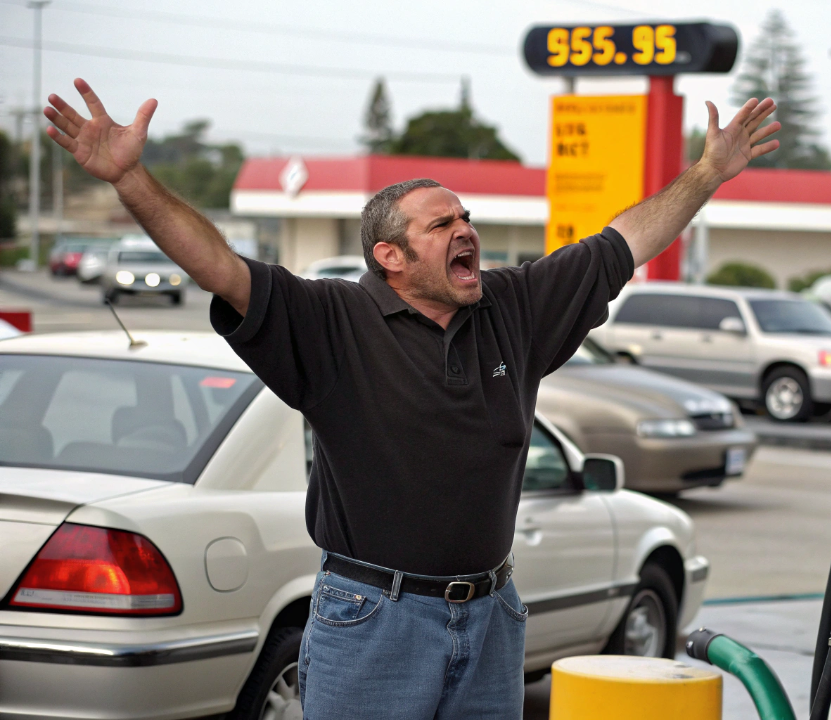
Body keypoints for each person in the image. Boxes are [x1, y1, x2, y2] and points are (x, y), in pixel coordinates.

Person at [43, 78, 779, 719]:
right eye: (442, 224)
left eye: (467, 219)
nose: (466, 231)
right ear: (390, 256)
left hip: (493, 618)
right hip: (372, 621)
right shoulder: (331, 321)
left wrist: (708, 173)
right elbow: (221, 268)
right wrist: (131, 180)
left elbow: (622, 242)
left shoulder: (513, 307)